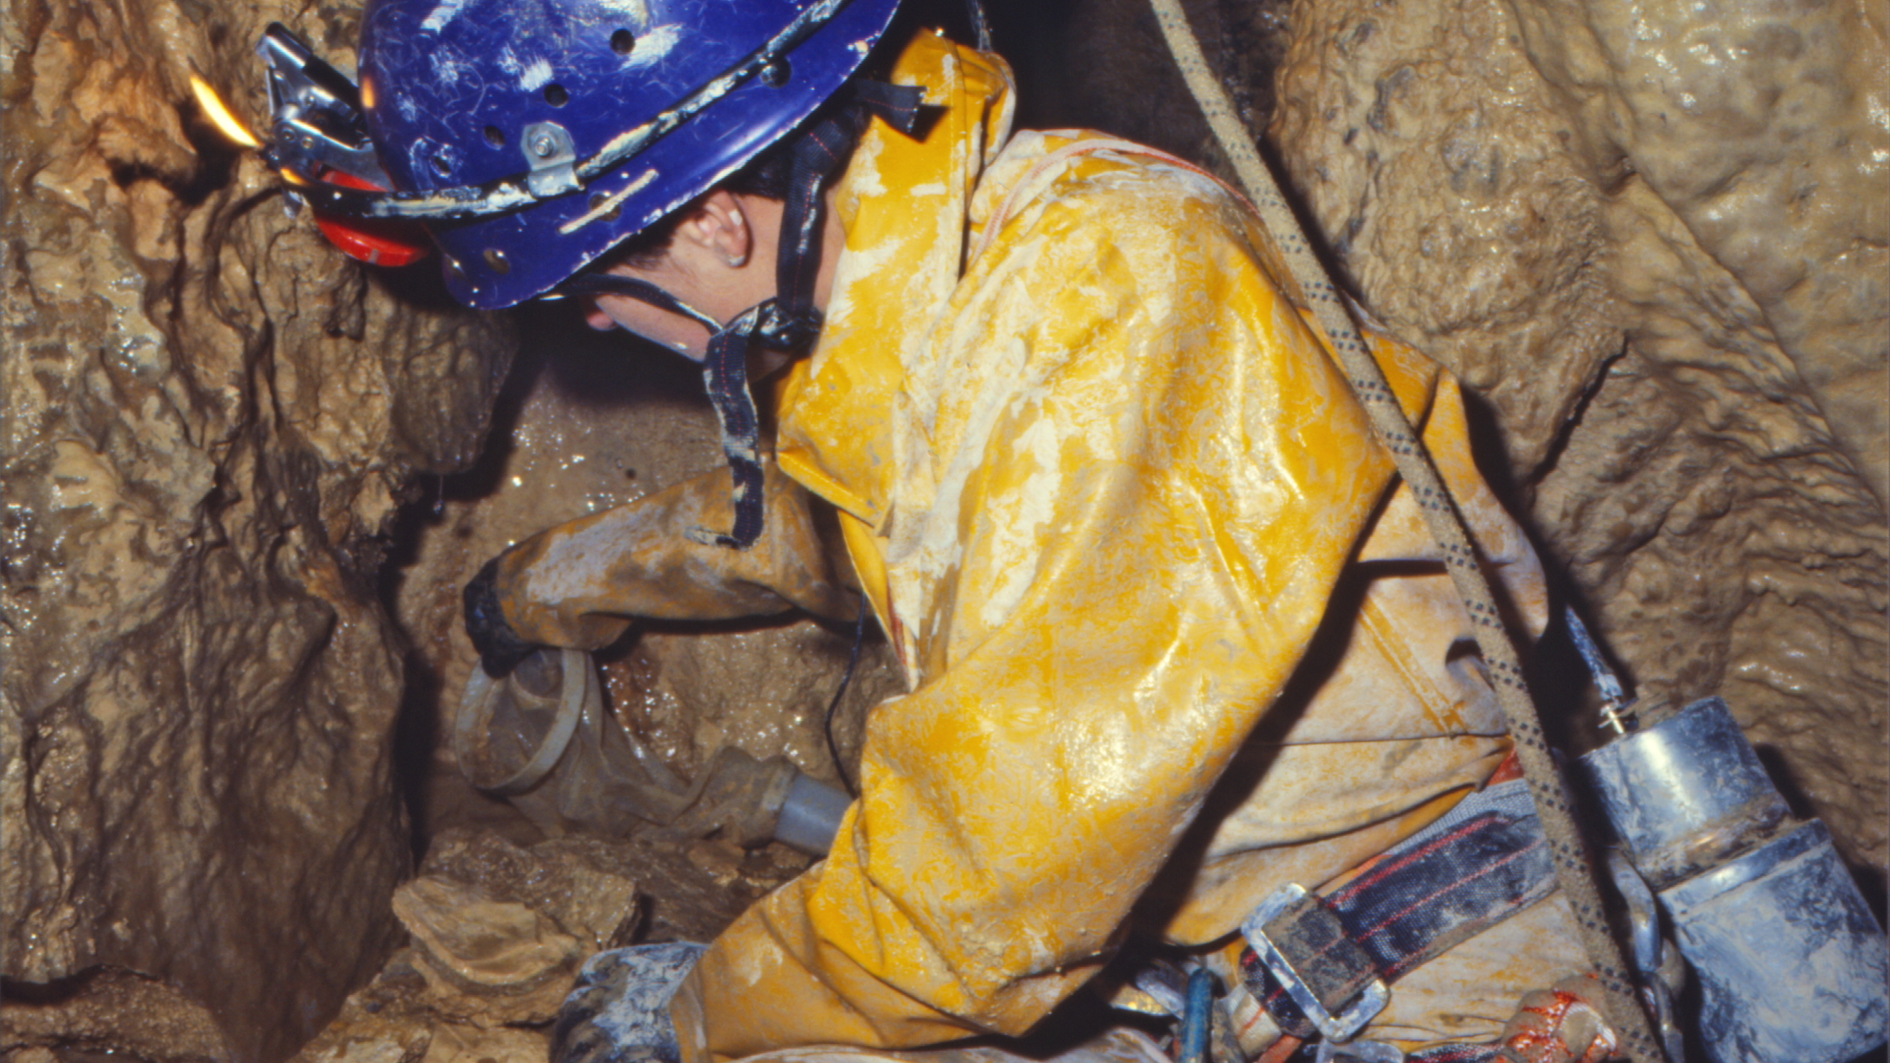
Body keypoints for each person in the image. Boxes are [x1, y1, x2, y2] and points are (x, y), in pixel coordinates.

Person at [300, 1, 1616, 1060]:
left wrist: (706, 1008)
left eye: (593, 280)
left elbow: (993, 872)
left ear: (711, 219)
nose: (586, 322)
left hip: (1426, 977)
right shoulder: (925, 287)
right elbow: (810, 522)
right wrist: (543, 588)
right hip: (1226, 953)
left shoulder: (1103, 294)